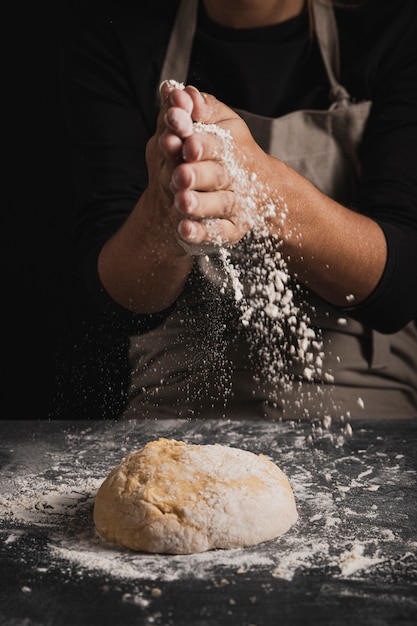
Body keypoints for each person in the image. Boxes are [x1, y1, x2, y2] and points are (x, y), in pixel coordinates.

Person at [61, 0, 417, 422]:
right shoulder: (118, 32)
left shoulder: (395, 29)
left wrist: (260, 190)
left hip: (361, 399)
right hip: (178, 399)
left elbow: (402, 285)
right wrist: (163, 219)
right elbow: (114, 305)